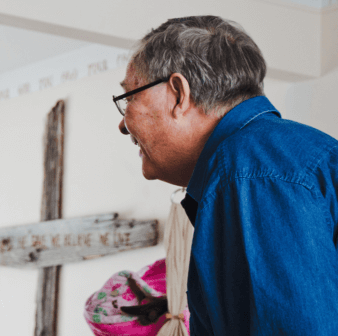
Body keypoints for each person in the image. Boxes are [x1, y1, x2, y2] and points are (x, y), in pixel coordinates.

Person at [114, 16, 338, 335]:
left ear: (178, 93)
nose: (123, 124)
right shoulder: (269, 157)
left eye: (129, 99)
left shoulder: (249, 170)